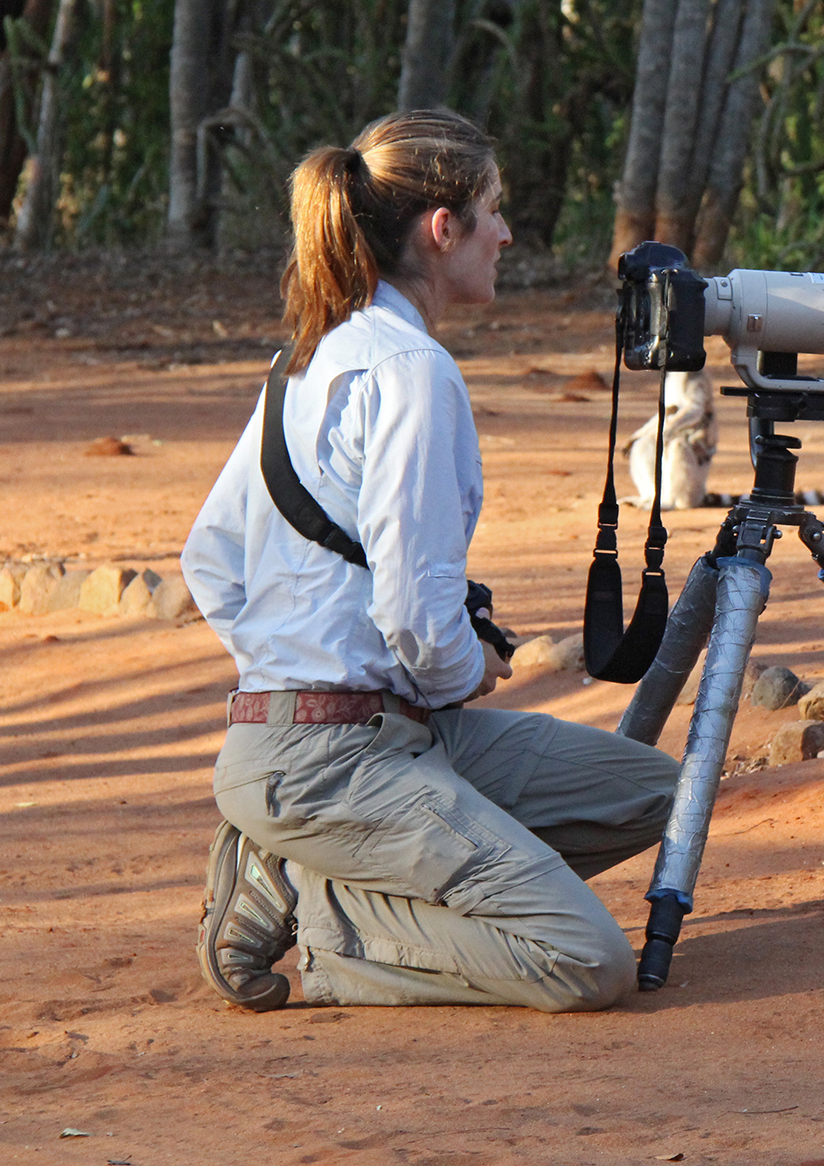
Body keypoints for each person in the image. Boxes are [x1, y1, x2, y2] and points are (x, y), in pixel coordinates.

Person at [182, 110, 677, 1013]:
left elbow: (208, 557)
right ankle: (331, 924)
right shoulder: (410, 369)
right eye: (493, 209)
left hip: (381, 732)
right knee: (585, 959)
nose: (507, 233)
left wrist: (285, 669)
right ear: (440, 229)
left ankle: (306, 859)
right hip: (332, 756)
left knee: (653, 794)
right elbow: (414, 609)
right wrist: (454, 668)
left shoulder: (307, 354)